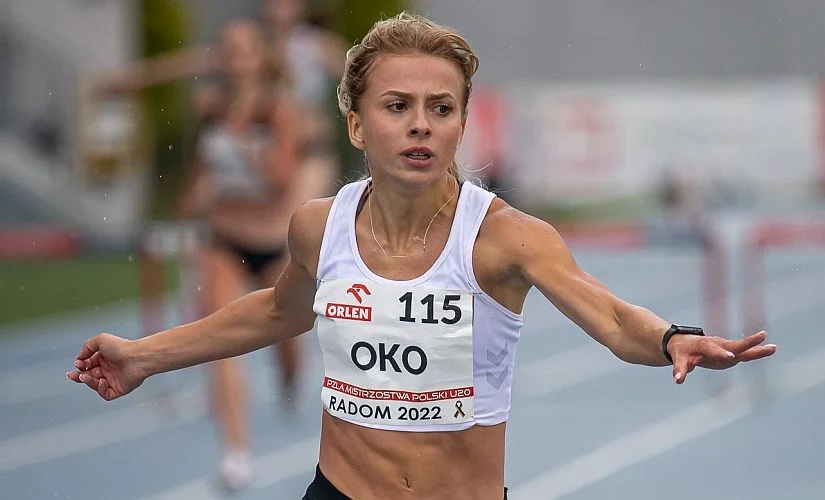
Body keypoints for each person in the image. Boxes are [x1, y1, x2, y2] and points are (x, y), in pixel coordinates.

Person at [67, 13, 777, 500]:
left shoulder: (504, 238)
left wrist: (673, 338)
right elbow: (277, 312)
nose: (420, 125)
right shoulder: (319, 226)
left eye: (441, 108)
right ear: (355, 124)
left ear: (462, 124)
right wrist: (144, 356)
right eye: (396, 105)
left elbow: (614, 319)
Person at [176, 19, 302, 491]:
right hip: (224, 239)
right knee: (223, 336)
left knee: (285, 341)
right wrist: (190, 204)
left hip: (273, 243)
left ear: (262, 57)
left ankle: (289, 379)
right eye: (228, 49)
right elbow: (198, 173)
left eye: (245, 49)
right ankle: (236, 451)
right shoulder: (210, 107)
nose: (236, 58)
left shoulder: (278, 109)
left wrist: (247, 146)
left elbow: (282, 180)